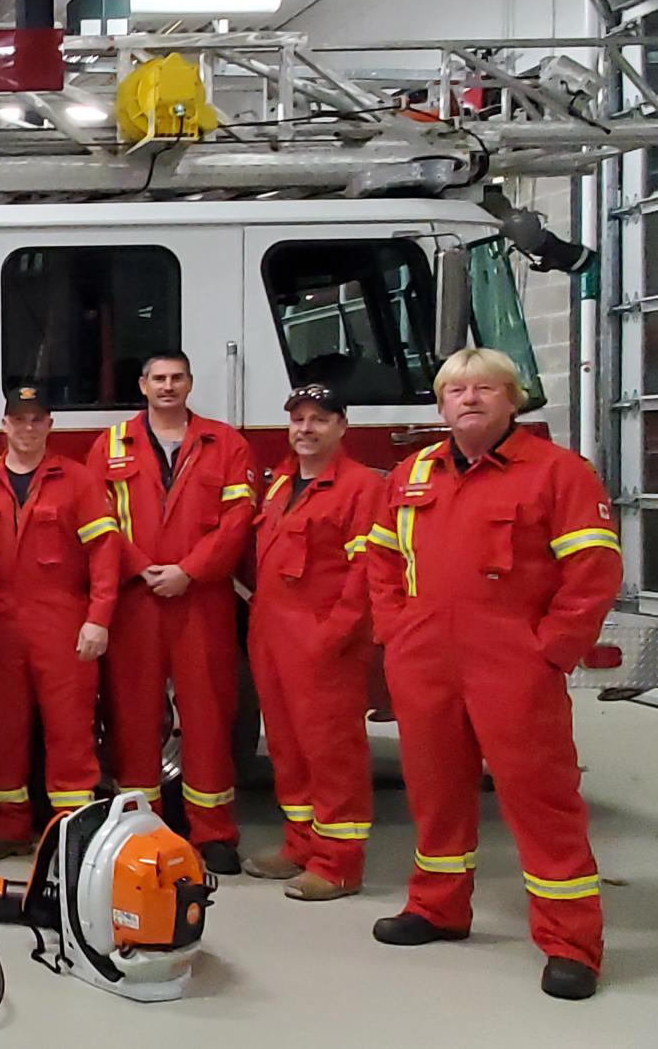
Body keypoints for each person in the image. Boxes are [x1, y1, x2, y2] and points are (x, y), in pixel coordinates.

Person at [364, 349, 619, 1000]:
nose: (468, 400)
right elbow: (381, 561)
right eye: (456, 391)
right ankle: (438, 906)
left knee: (542, 802)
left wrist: (550, 652)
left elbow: (593, 576)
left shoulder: (559, 474)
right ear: (442, 405)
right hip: (425, 662)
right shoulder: (412, 473)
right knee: (435, 789)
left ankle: (571, 943)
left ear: (512, 400)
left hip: (513, 664)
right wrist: (396, 634)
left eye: (484, 389)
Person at [85, 351, 256, 874]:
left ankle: (214, 833)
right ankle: (143, 830)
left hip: (200, 598)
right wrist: (141, 568)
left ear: (190, 382)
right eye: (158, 378)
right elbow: (98, 521)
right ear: (142, 385)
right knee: (133, 715)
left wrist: (190, 570)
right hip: (137, 597)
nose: (167, 386)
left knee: (207, 714)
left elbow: (238, 519)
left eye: (176, 378)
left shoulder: (225, 443)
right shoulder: (109, 446)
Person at [0, 387, 120, 860]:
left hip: (62, 621)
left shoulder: (77, 480)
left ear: (49, 425)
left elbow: (105, 553)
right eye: (18, 420)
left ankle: (71, 832)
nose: (27, 429)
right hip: (0, 623)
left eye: (37, 419)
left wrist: (99, 618)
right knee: (4, 729)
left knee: (68, 728)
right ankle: (8, 825)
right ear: (3, 425)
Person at [243, 384, 381, 901]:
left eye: (319, 419)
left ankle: (339, 863)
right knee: (286, 747)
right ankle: (300, 844)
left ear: (342, 426)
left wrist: (335, 635)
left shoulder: (361, 487)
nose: (306, 428)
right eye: (299, 419)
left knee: (332, 753)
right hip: (273, 636)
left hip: (324, 641)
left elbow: (367, 572)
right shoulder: (280, 484)